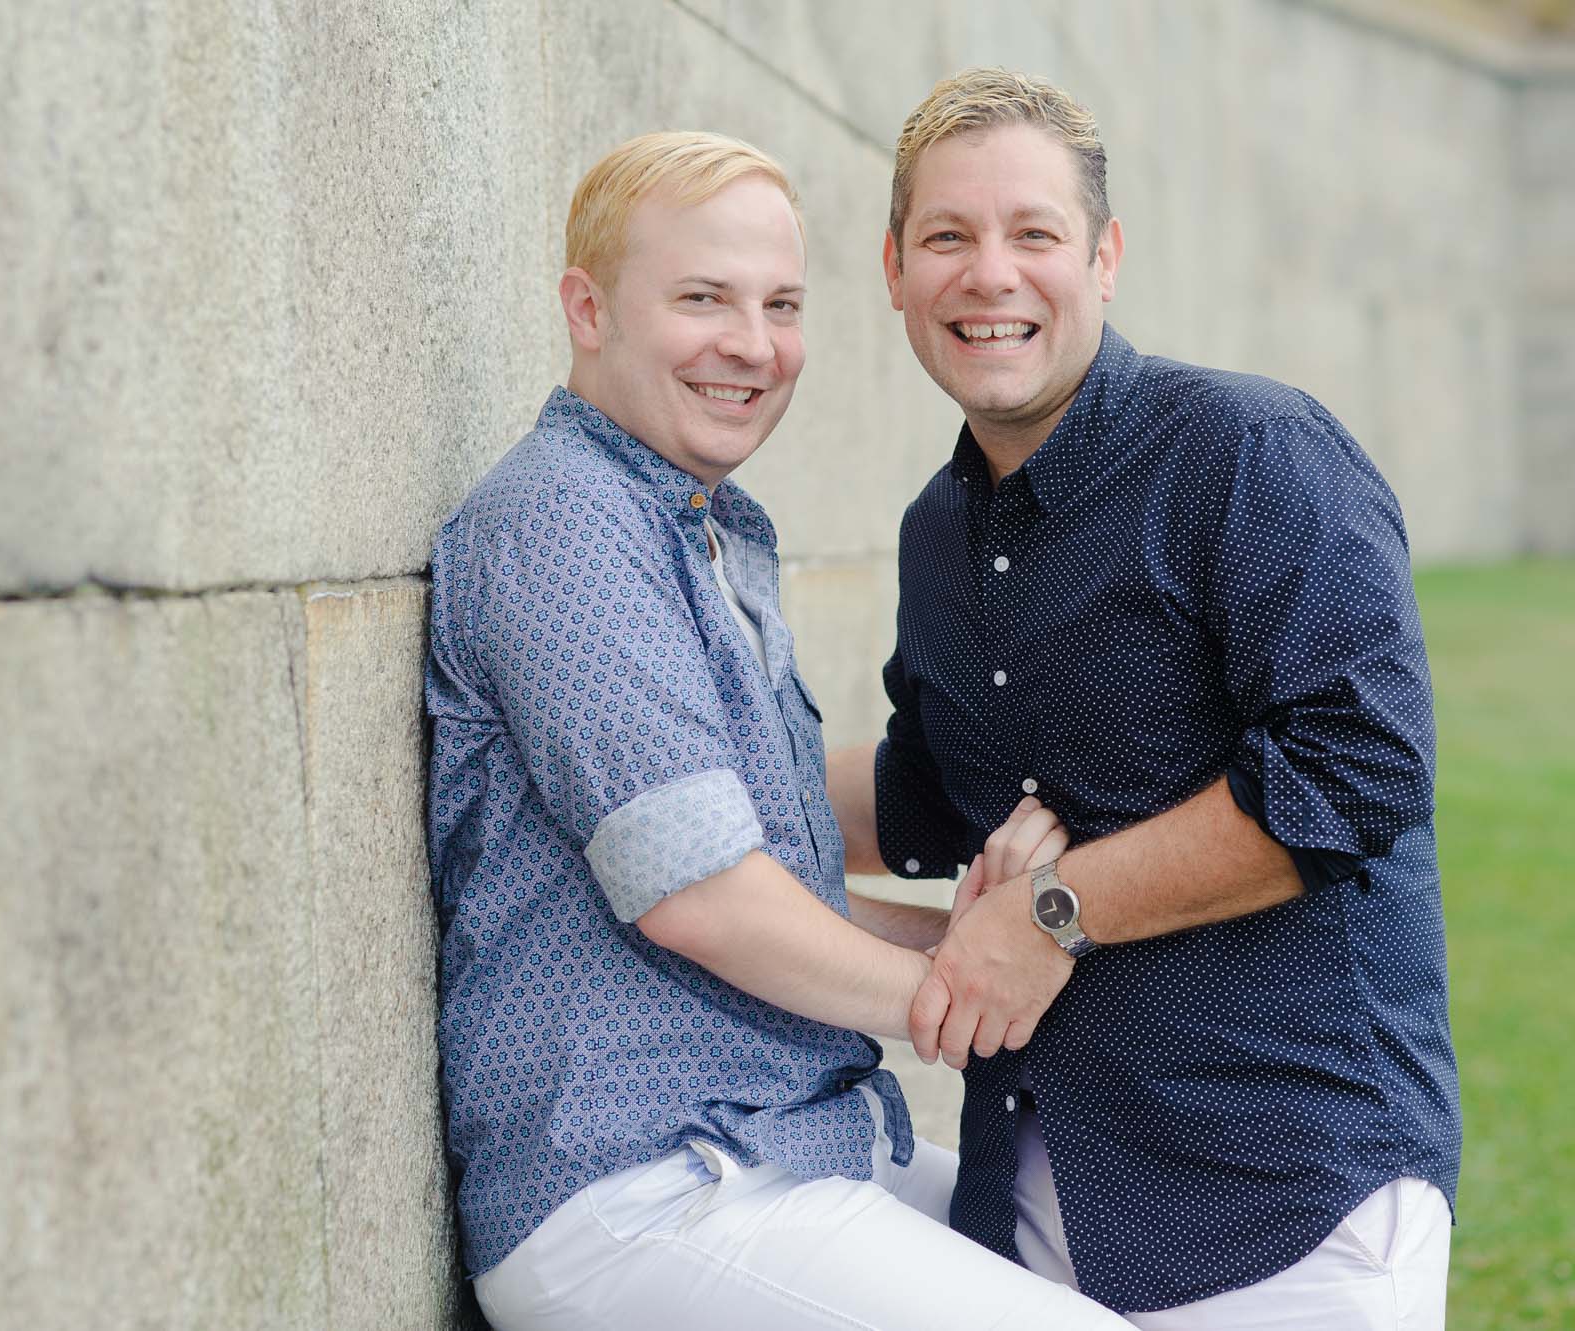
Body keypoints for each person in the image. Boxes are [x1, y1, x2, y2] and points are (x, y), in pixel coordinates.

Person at [425, 130, 1131, 1330]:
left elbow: (773, 880)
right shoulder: (562, 522)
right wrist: (959, 983)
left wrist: (981, 925)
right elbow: (700, 897)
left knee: (1127, 1264)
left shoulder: (703, 526)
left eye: (780, 304)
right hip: (647, 1186)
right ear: (584, 308)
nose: (751, 345)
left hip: (783, 1145)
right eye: (702, 298)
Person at [826, 68, 1462, 1330]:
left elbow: (1356, 768)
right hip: (1035, 1208)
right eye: (947, 236)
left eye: (1033, 234)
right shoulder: (936, 529)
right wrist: (676, 786)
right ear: (893, 268)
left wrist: (1051, 912)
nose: (988, 273)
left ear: (1103, 257)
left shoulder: (1250, 453)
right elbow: (924, 790)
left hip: (1285, 1208)